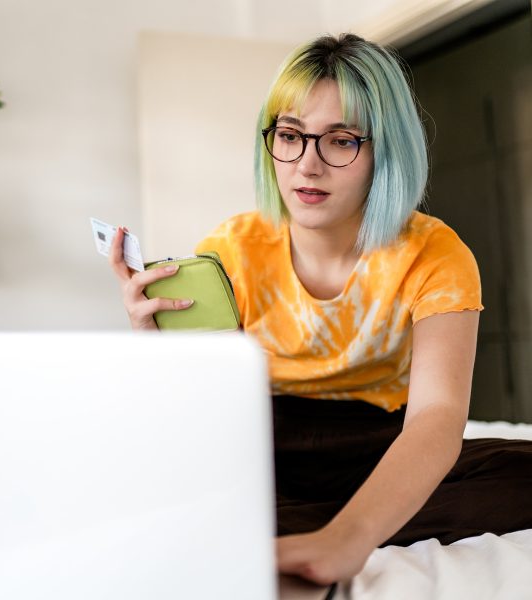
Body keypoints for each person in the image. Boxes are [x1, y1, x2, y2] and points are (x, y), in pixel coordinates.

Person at [109, 33, 532, 586]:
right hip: (263, 443)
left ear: (386, 148)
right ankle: (313, 523)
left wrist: (345, 541)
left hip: (381, 448)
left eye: (340, 140)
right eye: (290, 136)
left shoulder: (437, 255)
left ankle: (313, 527)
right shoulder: (232, 248)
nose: (307, 166)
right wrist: (152, 340)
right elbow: (199, 408)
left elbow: (435, 420)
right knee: (150, 486)